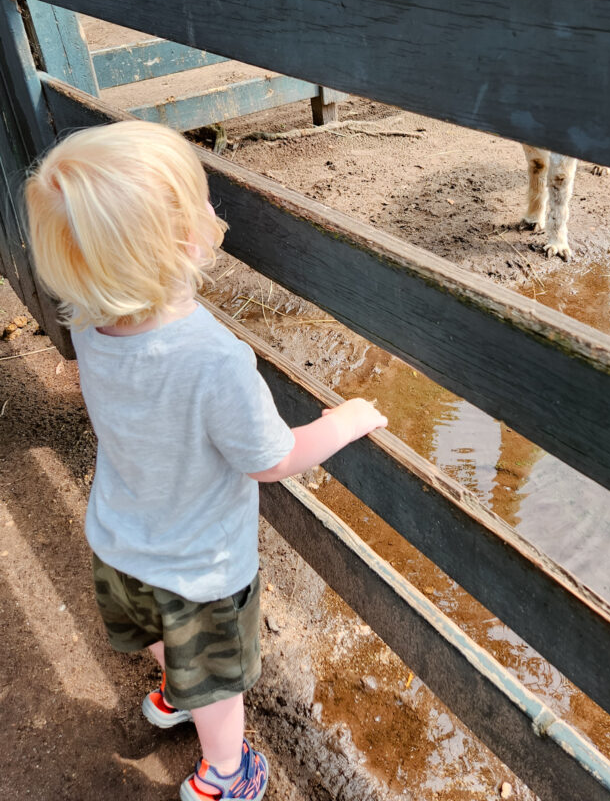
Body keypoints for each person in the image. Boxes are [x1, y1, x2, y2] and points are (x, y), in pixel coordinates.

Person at [24, 121, 387, 801]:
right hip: (201, 573)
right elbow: (273, 458)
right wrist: (341, 423)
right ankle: (225, 770)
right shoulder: (215, 358)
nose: (214, 214)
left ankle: (175, 690)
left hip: (118, 544)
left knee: (157, 634)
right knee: (220, 684)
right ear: (187, 242)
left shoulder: (86, 318)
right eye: (202, 205)